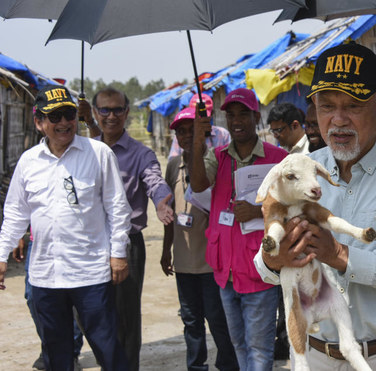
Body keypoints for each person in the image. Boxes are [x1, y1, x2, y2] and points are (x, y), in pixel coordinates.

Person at [254, 42, 376, 370]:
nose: (338, 120)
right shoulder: (299, 168)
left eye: (353, 105)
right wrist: (273, 258)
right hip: (314, 357)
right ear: (313, 108)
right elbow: (264, 263)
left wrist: (337, 254)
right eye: (326, 106)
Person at [0, 85, 132, 370]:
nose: (63, 123)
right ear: (39, 122)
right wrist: (1, 255)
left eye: (69, 114)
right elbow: (15, 212)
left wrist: (118, 253)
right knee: (56, 353)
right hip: (45, 276)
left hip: (91, 273)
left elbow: (117, 207)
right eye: (54, 116)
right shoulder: (28, 162)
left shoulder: (98, 153)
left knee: (108, 348)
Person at [189, 87, 288, 371]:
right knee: (239, 345)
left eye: (243, 113)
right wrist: (198, 138)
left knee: (259, 348)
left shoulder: (277, 158)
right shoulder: (217, 156)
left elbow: (296, 209)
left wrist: (260, 211)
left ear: (256, 116)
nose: (236, 121)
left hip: (260, 269)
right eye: (230, 115)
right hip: (225, 271)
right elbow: (198, 185)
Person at [80, 86, 175, 371]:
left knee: (125, 318)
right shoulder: (84, 150)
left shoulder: (140, 154)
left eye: (118, 109)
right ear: (95, 112)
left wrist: (161, 202)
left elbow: (155, 182)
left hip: (127, 244)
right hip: (88, 243)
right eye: (105, 110)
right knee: (87, 313)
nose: (112, 116)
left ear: (127, 113)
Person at [161, 107, 239, 371]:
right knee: (191, 319)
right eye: (180, 132)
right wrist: (165, 250)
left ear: (202, 133)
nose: (185, 136)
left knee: (217, 317)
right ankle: (196, 366)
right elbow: (170, 210)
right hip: (183, 260)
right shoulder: (173, 165)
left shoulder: (214, 162)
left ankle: (228, 364)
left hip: (210, 260)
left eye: (191, 130)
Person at [13, 232, 84, 371]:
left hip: (73, 239)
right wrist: (18, 234)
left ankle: (69, 352)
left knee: (71, 298)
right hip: (39, 240)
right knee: (33, 296)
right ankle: (51, 345)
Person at [168, 93, 231, 159]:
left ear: (212, 114)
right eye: (197, 116)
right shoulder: (182, 137)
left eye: (204, 115)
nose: (201, 120)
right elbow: (174, 161)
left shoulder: (222, 134)